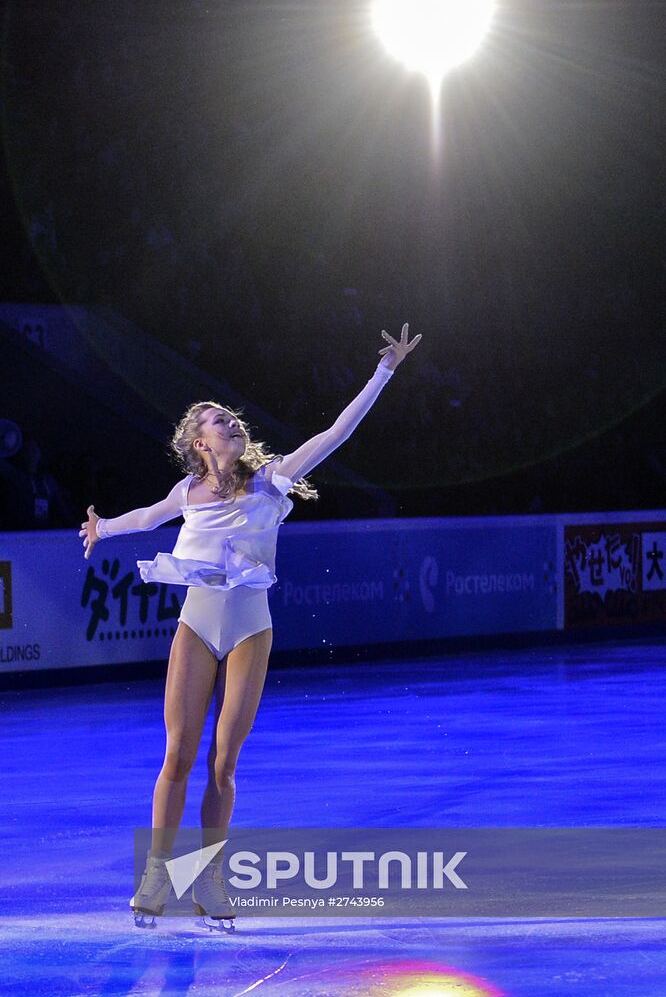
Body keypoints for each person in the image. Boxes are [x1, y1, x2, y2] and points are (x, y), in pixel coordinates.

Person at [79, 324, 422, 928]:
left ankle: (210, 883)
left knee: (223, 763)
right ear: (197, 441)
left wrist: (384, 372)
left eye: (234, 419)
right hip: (196, 627)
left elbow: (336, 433)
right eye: (220, 421)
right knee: (178, 756)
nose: (233, 424)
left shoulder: (271, 481)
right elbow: (147, 517)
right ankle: (157, 875)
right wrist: (101, 528)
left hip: (249, 631)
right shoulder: (187, 492)